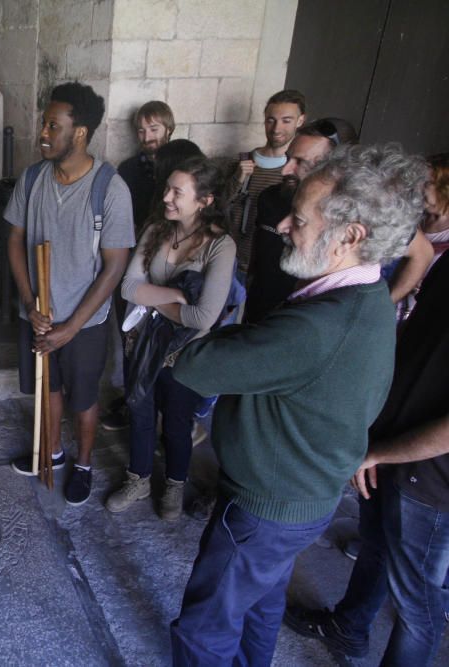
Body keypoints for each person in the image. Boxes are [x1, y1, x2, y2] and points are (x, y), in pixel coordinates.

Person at [167, 143, 427, 665]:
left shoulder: (317, 327)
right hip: (302, 497)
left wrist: (204, 331)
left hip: (266, 506)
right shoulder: (366, 293)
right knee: (261, 607)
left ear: (349, 237)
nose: (283, 225)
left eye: (300, 219)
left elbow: (195, 364)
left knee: (204, 625)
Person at [283, 250, 449, 665]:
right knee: (376, 547)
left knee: (416, 606)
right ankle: (349, 628)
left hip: (429, 479)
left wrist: (380, 452)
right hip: (391, 448)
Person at [4, 81, 134, 506]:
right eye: (44, 124)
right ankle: (53, 453)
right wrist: (29, 303)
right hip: (38, 313)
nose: (43, 132)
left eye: (53, 125)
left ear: (79, 132)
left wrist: (71, 327)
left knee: (84, 398)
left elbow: (114, 266)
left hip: (86, 322)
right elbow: (14, 240)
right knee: (49, 388)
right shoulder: (33, 177)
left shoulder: (109, 188)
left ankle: (83, 464)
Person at [105, 158, 236, 520]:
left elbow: (203, 317)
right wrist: (176, 296)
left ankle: (175, 484)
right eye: (167, 189)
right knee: (140, 411)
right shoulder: (156, 230)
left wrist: (157, 297)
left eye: (177, 192)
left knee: (178, 423)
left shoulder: (220, 247)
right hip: (143, 344)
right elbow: (129, 286)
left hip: (185, 354)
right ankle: (139, 479)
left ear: (204, 200)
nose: (166, 197)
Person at [245, 119, 339, 323]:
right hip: (256, 311)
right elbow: (259, 250)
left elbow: (421, 253)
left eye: (300, 162)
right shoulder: (269, 197)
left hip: (297, 320)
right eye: (288, 159)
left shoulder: (339, 213)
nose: (285, 170)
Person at [227, 89, 306, 273]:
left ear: (300, 120)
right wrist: (236, 180)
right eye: (271, 120)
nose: (277, 128)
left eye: (286, 121)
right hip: (232, 260)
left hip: (272, 264)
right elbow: (219, 207)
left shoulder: (298, 172)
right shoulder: (240, 162)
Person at [119, 101, 176, 233]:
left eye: (154, 129)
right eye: (141, 131)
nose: (146, 137)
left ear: (169, 129)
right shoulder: (127, 169)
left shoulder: (183, 165)